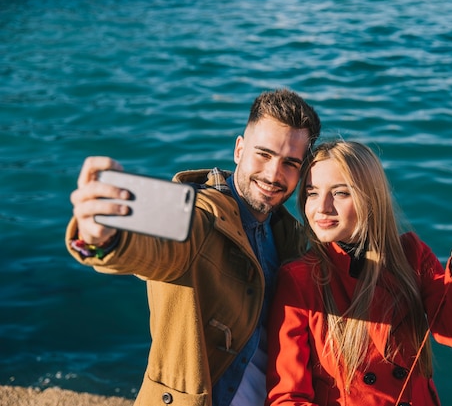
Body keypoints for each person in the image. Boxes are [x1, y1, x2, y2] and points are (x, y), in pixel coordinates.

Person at [65, 88, 322, 406]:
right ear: (239, 149)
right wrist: (104, 238)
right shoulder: (197, 212)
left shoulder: (291, 237)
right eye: (264, 154)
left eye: (290, 163)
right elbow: (156, 246)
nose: (273, 174)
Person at [265, 140, 452, 406]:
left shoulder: (410, 255)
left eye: (340, 193)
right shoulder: (299, 279)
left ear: (370, 197)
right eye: (312, 192)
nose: (322, 207)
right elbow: (287, 396)